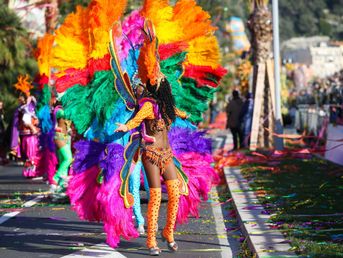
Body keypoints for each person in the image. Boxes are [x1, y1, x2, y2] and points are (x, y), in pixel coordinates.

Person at [116, 78, 188, 255]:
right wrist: (126, 127)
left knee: (175, 193)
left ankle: (168, 232)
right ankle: (151, 240)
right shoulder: (148, 106)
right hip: (151, 155)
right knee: (155, 197)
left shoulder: (167, 107)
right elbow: (137, 119)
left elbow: (179, 113)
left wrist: (186, 114)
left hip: (167, 155)